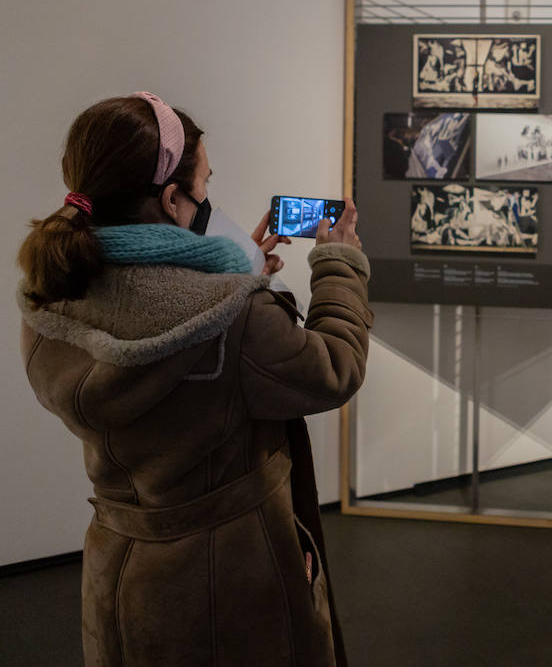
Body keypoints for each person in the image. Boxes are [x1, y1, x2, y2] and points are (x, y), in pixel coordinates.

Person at [18, 93, 371, 667]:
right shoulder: (235, 315)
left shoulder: (50, 296)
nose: (208, 195)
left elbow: (154, 317)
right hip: (235, 576)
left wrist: (238, 267)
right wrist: (339, 265)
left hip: (119, 571)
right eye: (204, 182)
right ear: (171, 198)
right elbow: (334, 368)